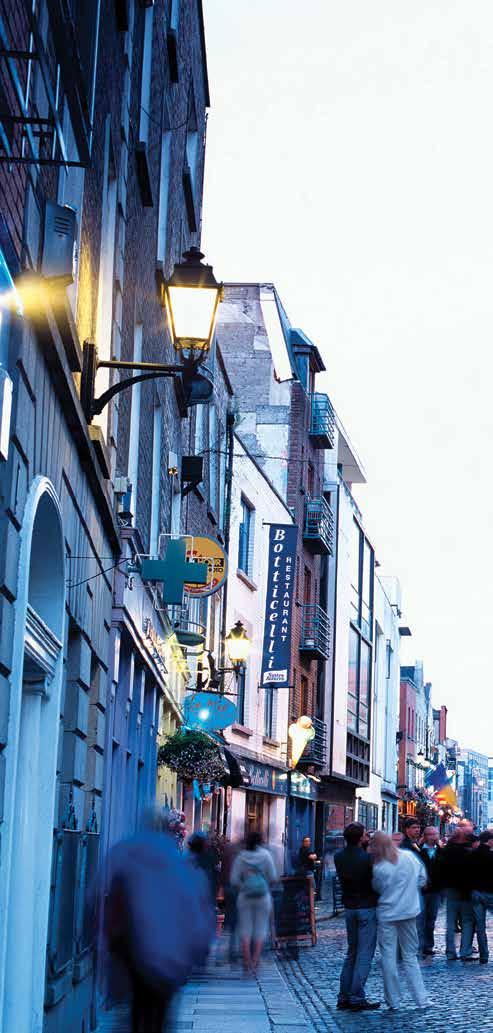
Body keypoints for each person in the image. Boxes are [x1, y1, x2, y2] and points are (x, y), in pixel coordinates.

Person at [102, 810, 215, 1033]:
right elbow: (195, 909)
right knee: (160, 1011)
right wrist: (198, 949)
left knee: (137, 1005)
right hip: (168, 953)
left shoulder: (123, 852)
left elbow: (98, 897)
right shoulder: (179, 864)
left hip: (131, 949)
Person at [370, 831, 429, 1011]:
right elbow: (422, 879)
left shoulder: (380, 867)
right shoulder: (409, 857)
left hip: (388, 913)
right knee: (410, 957)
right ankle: (421, 999)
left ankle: (393, 1000)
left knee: (388, 957)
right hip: (409, 911)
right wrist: (409, 890)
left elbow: (377, 888)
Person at [334, 822, 380, 1012]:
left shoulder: (338, 856)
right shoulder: (368, 858)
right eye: (365, 834)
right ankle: (356, 996)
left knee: (352, 952)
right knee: (364, 953)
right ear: (361, 838)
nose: (367, 837)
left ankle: (343, 996)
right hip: (366, 906)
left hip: (350, 907)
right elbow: (374, 882)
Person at [230, 830, 277, 974]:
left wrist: (244, 886)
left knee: (245, 929)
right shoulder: (266, 855)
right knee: (260, 929)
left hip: (245, 897)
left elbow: (234, 880)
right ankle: (255, 962)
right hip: (262, 897)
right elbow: (273, 877)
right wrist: (264, 885)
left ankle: (246, 961)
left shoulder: (241, 857)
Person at [439, 826, 474, 961]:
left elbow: (441, 869)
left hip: (451, 888)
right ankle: (465, 951)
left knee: (451, 922)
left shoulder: (447, 850)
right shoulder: (469, 850)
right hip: (466, 890)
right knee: (467, 921)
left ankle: (450, 951)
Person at [418, 826, 443, 956]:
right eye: (430, 834)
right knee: (420, 919)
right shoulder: (418, 850)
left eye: (435, 834)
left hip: (435, 890)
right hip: (421, 890)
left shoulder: (441, 851)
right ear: (425, 836)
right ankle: (420, 945)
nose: (433, 837)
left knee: (431, 919)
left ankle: (428, 945)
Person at [470, 829, 493, 964]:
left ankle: (484, 955)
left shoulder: (472, 854)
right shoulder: (491, 855)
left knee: (480, 926)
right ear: (489, 841)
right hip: (490, 893)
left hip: (476, 893)